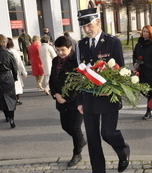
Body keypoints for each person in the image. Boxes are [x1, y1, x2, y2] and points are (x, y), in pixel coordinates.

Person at [77, 8, 130, 173]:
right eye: (84, 27)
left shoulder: (112, 42)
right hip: (89, 98)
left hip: (108, 96)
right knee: (92, 138)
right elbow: (79, 74)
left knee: (108, 133)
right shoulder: (81, 45)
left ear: (98, 22)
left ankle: (123, 151)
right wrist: (79, 101)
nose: (86, 30)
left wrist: (113, 90)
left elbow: (120, 71)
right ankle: (98, 170)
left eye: (89, 25)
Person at [49, 36, 86, 167]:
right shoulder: (55, 61)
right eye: (57, 50)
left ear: (70, 48)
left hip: (75, 101)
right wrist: (56, 94)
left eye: (63, 50)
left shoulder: (76, 61)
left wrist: (67, 97)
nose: (60, 53)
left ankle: (77, 153)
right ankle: (81, 141)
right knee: (65, 126)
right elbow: (52, 79)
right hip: (60, 100)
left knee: (75, 128)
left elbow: (80, 82)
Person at [132, 25, 152, 120]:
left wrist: (148, 64)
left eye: (147, 32)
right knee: (142, 89)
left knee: (149, 91)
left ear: (151, 33)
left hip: (150, 72)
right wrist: (135, 63)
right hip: (140, 71)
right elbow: (134, 55)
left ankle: (148, 111)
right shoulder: (138, 44)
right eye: (143, 31)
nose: (145, 33)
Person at [0, 34, 18, 128]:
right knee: (10, 97)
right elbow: (14, 67)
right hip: (8, 76)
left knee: (1, 97)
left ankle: (7, 116)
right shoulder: (9, 53)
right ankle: (11, 118)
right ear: (4, 42)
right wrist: (15, 77)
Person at [6, 38, 28, 105]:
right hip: (14, 71)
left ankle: (10, 99)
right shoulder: (14, 51)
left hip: (6, 72)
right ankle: (17, 98)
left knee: (9, 86)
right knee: (17, 85)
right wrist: (24, 71)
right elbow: (19, 62)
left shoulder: (4, 51)